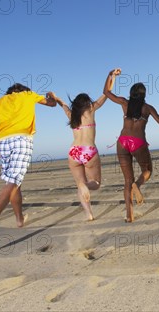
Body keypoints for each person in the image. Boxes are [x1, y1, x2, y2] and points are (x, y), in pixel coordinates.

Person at [0, 84, 56, 245]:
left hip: (2, 142)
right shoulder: (28, 94)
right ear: (22, 90)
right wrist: (52, 96)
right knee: (14, 180)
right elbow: (51, 104)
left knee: (14, 182)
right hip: (21, 140)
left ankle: (19, 219)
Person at [104, 68, 159, 223]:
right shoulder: (148, 108)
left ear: (131, 93)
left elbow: (106, 92)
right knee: (147, 170)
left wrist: (111, 75)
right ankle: (137, 185)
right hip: (138, 143)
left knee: (127, 180)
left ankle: (129, 215)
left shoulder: (124, 103)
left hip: (123, 142)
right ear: (144, 94)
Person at [51, 91, 107, 221]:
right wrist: (112, 77)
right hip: (88, 151)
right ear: (88, 103)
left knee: (79, 184)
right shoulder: (91, 110)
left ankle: (88, 213)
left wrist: (55, 97)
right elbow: (106, 94)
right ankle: (86, 186)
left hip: (74, 151)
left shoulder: (72, 115)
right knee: (96, 183)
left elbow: (63, 104)